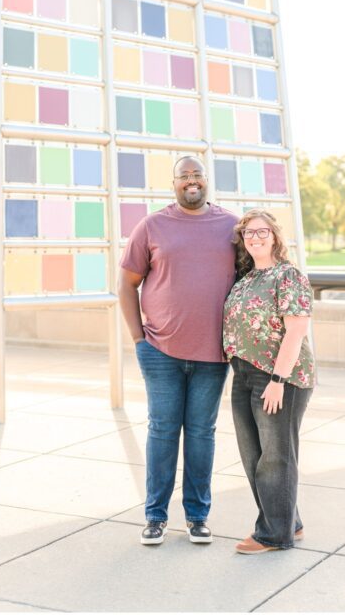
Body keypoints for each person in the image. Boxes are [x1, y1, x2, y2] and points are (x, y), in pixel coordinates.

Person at [118, 155, 237, 546]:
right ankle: (155, 517)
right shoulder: (152, 225)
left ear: (207, 181)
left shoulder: (230, 226)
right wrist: (139, 341)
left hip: (213, 354)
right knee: (163, 432)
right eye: (184, 175)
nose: (191, 180)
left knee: (202, 434)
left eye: (197, 174)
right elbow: (126, 285)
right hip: (160, 351)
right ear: (173, 184)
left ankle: (198, 517)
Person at [224, 209, 314, 554]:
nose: (255, 238)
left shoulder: (288, 276)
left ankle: (274, 534)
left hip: (280, 377)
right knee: (254, 456)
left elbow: (296, 331)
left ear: (275, 236)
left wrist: (278, 379)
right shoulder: (245, 279)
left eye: (262, 232)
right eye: (248, 233)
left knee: (276, 457)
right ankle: (290, 521)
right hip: (243, 373)